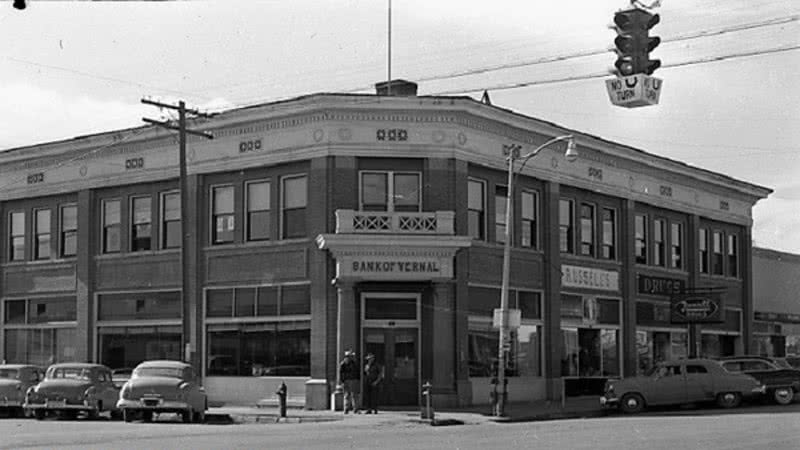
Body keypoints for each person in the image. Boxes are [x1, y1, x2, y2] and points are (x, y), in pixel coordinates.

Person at [338, 349, 360, 413]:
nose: (351, 357)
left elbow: (357, 372)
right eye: (350, 356)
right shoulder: (344, 364)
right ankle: (348, 408)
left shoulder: (352, 363)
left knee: (351, 395)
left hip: (351, 380)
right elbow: (340, 373)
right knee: (349, 395)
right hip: (348, 380)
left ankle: (352, 408)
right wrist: (342, 381)